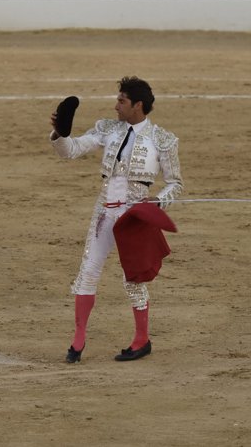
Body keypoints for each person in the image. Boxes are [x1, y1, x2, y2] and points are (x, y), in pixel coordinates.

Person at [49, 76, 184, 363]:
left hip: (134, 216)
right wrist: (60, 134)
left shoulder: (163, 139)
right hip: (105, 210)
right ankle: (77, 341)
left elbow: (175, 183)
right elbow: (71, 151)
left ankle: (142, 340)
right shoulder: (107, 129)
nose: (116, 106)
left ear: (138, 105)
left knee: (132, 278)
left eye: (121, 101)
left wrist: (159, 201)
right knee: (88, 271)